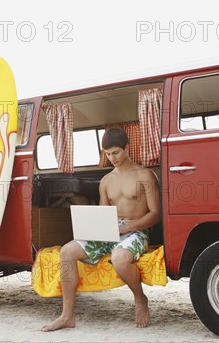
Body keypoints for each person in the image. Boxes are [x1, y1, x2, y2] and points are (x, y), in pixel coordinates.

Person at [42, 127, 161, 332]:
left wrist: (130, 227)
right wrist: (95, 227)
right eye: (107, 154)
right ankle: (67, 316)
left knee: (120, 258)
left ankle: (140, 300)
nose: (112, 158)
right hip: (109, 229)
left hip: (136, 230)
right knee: (67, 251)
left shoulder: (145, 175)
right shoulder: (106, 181)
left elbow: (156, 213)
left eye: (116, 152)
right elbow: (103, 213)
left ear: (127, 147)